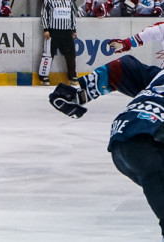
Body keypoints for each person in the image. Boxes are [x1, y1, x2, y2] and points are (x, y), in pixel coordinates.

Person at [48, 26, 164, 240]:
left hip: (123, 140)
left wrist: (77, 91)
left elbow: (123, 67)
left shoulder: (158, 75)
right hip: (151, 142)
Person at [39, 0, 78, 86]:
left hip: (66, 32)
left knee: (71, 55)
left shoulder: (68, 0)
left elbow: (72, 16)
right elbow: (44, 15)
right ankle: (43, 75)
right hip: (53, 32)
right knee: (48, 54)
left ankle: (72, 75)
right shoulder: (49, 0)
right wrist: (46, 29)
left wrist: (74, 29)